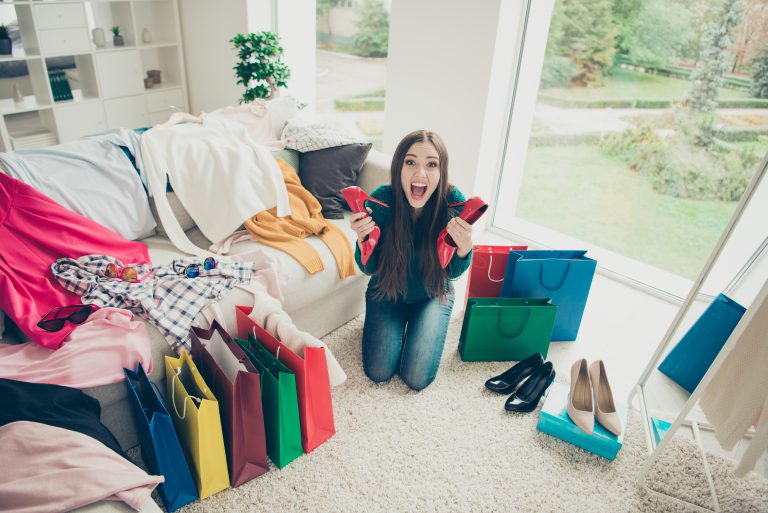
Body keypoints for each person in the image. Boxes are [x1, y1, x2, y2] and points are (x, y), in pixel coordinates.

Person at [350, 129, 474, 391]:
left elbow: (452, 273)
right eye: (411, 162)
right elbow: (369, 268)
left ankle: (418, 327)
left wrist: (464, 249)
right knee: (378, 372)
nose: (420, 173)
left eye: (431, 164)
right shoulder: (382, 199)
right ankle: (402, 328)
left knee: (416, 378)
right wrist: (363, 243)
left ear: (441, 172)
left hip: (432, 293)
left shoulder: (453, 203)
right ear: (399, 168)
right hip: (388, 290)